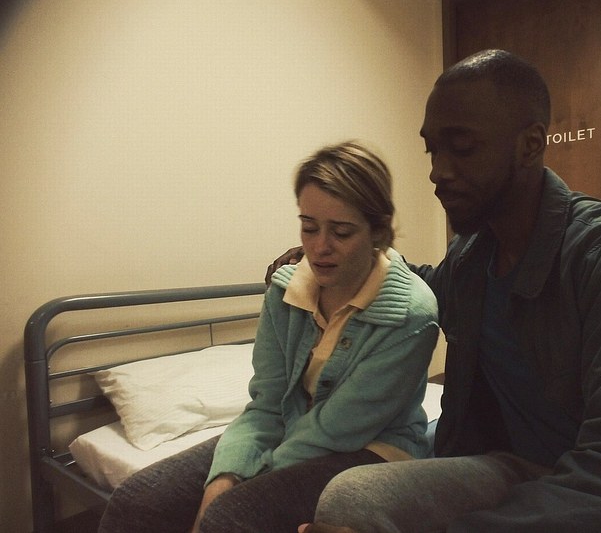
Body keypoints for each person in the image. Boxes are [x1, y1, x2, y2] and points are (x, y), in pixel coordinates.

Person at [271, 51, 601, 532]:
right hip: (522, 468)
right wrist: (348, 255)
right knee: (351, 498)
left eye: (462, 148)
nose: (438, 172)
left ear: (530, 145)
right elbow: (425, 285)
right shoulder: (473, 257)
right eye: (432, 150)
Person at [98, 141, 439, 533]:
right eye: (308, 227)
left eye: (342, 232)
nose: (319, 247)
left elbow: (336, 429)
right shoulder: (285, 292)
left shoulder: (410, 314)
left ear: (378, 231)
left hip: (371, 447)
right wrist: (225, 474)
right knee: (137, 500)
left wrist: (241, 486)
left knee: (232, 517)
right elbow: (267, 403)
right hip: (290, 427)